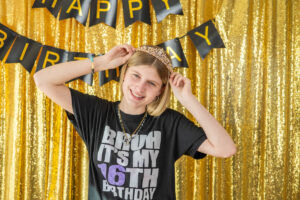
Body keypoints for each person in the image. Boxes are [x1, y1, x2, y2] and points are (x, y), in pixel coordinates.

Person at [34, 44, 236, 200]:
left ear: (161, 90)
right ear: (124, 75)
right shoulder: (97, 112)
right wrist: (102, 62)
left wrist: (188, 99)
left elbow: (225, 149)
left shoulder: (169, 123)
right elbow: (43, 80)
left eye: (151, 83)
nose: (140, 88)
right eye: (136, 76)